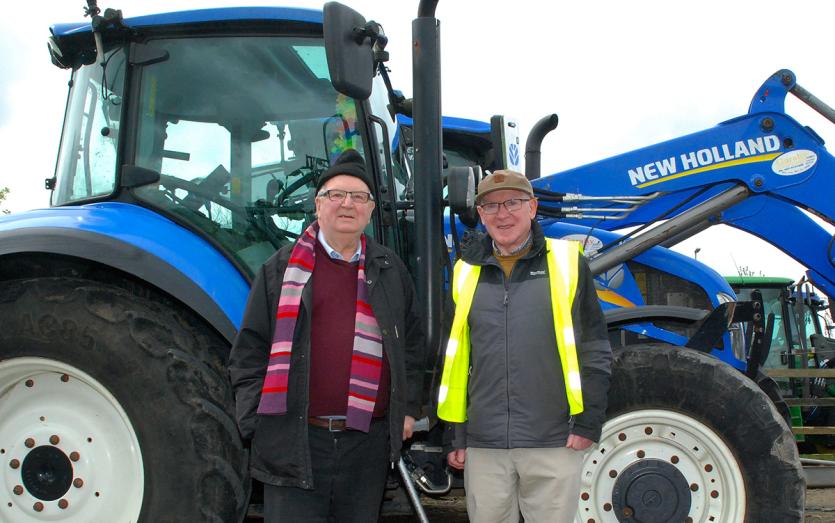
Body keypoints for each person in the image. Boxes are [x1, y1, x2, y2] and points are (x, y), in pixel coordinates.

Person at [228, 148, 424, 522]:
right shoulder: (280, 269)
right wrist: (254, 418)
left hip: (367, 444)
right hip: (295, 439)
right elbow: (249, 349)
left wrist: (409, 409)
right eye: (336, 195)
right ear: (318, 205)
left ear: (369, 210)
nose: (347, 204)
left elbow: (412, 344)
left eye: (359, 197)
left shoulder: (389, 270)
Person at [437, 169, 612, 523]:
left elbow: (593, 347)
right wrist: (455, 435)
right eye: (491, 205)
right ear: (481, 214)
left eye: (513, 203)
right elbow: (452, 360)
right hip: (484, 444)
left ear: (532, 207)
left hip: (554, 439)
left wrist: (587, 424)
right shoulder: (464, 272)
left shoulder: (567, 262)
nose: (503, 214)